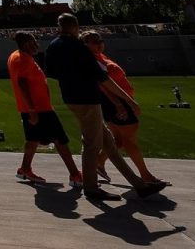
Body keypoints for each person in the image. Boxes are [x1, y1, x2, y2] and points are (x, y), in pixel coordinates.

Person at [46, 14, 167, 201]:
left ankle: (140, 184)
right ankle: (91, 188)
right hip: (87, 99)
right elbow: (102, 78)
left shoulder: (54, 45)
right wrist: (128, 100)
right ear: (76, 26)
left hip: (71, 98)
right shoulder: (79, 47)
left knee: (108, 142)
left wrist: (69, 77)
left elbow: (51, 71)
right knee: (91, 145)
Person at [81, 31, 167, 188]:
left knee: (118, 141)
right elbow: (102, 84)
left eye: (100, 40)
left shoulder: (100, 57)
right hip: (116, 102)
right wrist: (120, 104)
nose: (99, 43)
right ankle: (145, 175)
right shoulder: (93, 61)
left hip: (116, 102)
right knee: (130, 141)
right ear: (85, 45)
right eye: (94, 41)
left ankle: (99, 163)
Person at [6, 31, 81, 185]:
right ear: (27, 43)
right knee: (60, 140)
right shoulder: (22, 59)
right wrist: (32, 110)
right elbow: (22, 83)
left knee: (33, 140)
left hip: (36, 108)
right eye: (34, 41)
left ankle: (25, 169)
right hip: (39, 109)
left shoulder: (19, 56)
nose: (37, 44)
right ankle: (75, 175)